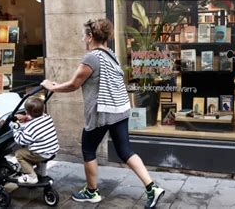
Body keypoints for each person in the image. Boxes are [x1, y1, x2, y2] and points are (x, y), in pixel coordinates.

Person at [41, 18, 165, 208]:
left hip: (103, 112)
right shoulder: (111, 54)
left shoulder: (92, 57)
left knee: (88, 149)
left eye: (84, 35)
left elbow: (74, 84)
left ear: (90, 36)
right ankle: (152, 187)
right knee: (125, 151)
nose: (83, 38)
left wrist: (51, 86)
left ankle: (91, 192)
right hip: (120, 110)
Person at [11, 97, 59, 184]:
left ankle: (31, 176)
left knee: (19, 153)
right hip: (53, 150)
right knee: (35, 149)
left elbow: (20, 140)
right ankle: (40, 171)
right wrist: (26, 118)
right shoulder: (47, 117)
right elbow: (36, 119)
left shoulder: (30, 127)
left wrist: (16, 127)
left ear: (26, 112)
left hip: (41, 153)